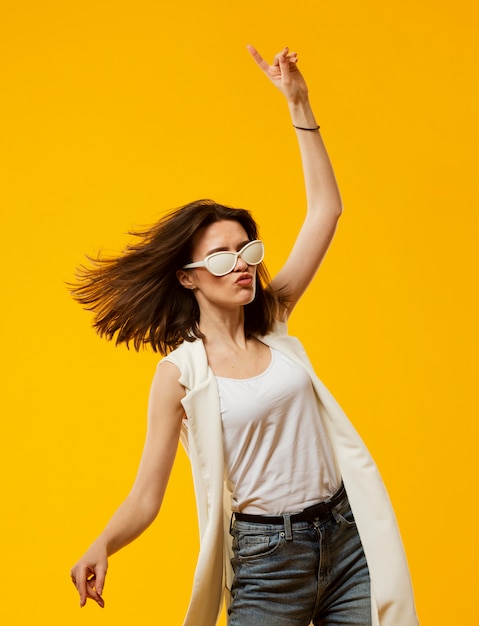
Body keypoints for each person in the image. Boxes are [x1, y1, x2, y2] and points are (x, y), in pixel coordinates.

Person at [70, 46, 418, 626]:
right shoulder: (180, 375)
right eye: (223, 256)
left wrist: (298, 103)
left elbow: (326, 210)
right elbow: (146, 496)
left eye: (248, 251)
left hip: (345, 540)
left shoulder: (274, 319)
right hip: (266, 561)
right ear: (188, 278)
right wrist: (102, 543)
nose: (242, 265)